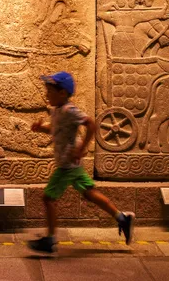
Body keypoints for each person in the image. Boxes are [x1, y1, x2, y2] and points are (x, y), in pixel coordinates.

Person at [28, 71, 135, 253]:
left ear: (62, 93)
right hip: (71, 165)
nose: (46, 95)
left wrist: (82, 147)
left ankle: (50, 240)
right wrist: (41, 128)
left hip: (67, 165)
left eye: (50, 91)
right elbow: (56, 129)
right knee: (90, 193)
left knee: (48, 198)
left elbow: (91, 124)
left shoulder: (70, 110)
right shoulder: (57, 111)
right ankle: (122, 218)